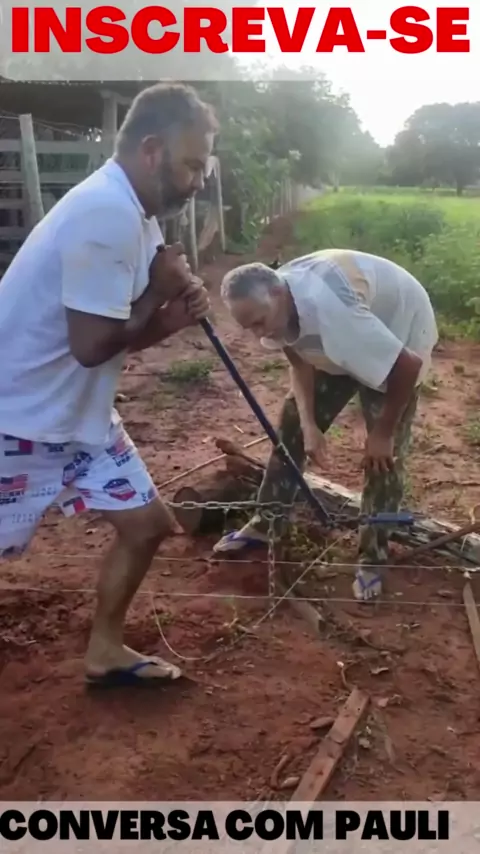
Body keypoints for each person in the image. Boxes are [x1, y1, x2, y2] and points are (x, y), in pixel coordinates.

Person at [0, 82, 217, 687]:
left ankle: (105, 650)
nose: (199, 181)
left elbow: (113, 335)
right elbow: (92, 344)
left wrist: (168, 317)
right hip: (18, 417)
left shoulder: (135, 214)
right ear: (151, 151)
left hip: (78, 417)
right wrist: (158, 293)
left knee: (147, 525)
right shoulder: (107, 214)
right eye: (192, 164)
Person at [213, 248, 438, 601]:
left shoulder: (332, 311)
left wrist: (382, 434)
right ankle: (268, 522)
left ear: (277, 293)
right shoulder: (278, 307)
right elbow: (300, 364)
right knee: (291, 424)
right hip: (349, 335)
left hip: (399, 333)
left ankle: (372, 557)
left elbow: (406, 366)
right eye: (249, 327)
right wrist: (307, 425)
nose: (259, 334)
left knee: (383, 460)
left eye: (259, 322)